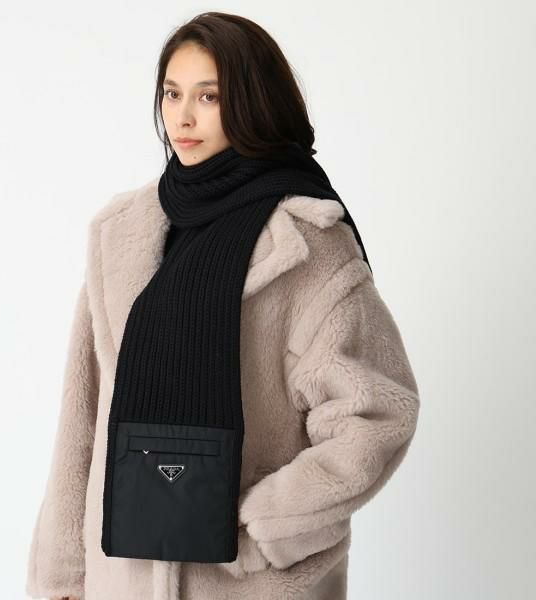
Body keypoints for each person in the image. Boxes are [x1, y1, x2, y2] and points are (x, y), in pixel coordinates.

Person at [26, 11, 420, 600]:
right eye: (172, 93)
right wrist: (62, 582)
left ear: (253, 103)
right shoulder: (122, 235)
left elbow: (377, 414)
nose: (182, 117)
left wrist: (268, 527)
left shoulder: (305, 245)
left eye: (208, 97)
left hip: (252, 584)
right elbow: (82, 420)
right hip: (122, 582)